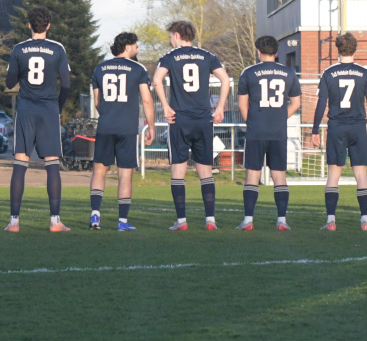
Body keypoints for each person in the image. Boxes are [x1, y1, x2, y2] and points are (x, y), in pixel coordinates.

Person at [153, 20, 231, 231]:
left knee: (178, 171)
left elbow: (157, 80)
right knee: (205, 171)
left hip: (180, 120)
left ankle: (181, 222)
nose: (170, 40)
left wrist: (166, 106)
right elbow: (225, 79)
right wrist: (220, 107)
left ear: (177, 35)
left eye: (170, 36)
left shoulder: (170, 57)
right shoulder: (207, 56)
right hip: (203, 119)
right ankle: (210, 221)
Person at [5, 7, 71, 232]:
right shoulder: (57, 49)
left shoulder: (19, 49)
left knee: (20, 163)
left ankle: (14, 222)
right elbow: (68, 84)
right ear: (49, 26)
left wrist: (18, 69)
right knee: (52, 164)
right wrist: (57, 107)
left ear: (29, 25)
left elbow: (9, 82)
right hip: (48, 110)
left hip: (25, 110)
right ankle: (55, 222)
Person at [88, 32, 155, 231]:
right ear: (127, 47)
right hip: (127, 129)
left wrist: (110, 113)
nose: (138, 50)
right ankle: (122, 222)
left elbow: (98, 102)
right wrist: (151, 126)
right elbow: (146, 100)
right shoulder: (138, 69)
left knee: (99, 171)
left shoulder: (100, 68)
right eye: (136, 46)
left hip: (106, 126)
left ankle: (95, 217)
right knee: (125, 174)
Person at [310, 32, 367, 231]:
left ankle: (331, 221)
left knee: (333, 174)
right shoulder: (365, 72)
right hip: (357, 126)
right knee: (361, 175)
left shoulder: (329, 72)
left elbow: (321, 103)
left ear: (337, 49)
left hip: (337, 127)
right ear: (355, 49)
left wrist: (314, 130)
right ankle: (365, 220)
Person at [237, 35, 301, 231]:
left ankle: (248, 221)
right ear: (277, 52)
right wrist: (280, 118)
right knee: (279, 175)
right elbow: (296, 103)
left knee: (252, 175)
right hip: (278, 131)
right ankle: (281, 220)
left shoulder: (248, 72)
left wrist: (253, 122)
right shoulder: (288, 72)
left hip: (256, 130)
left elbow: (242, 104)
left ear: (258, 51)